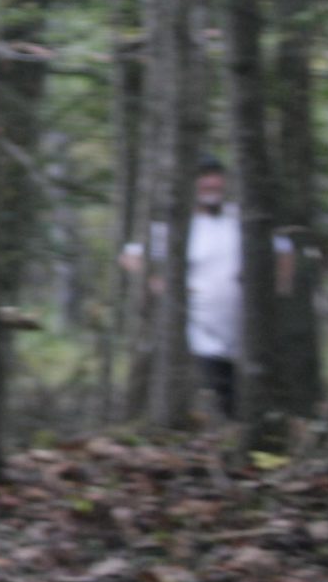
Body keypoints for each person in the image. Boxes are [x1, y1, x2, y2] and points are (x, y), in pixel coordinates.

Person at [121, 157, 295, 418]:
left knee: (254, 394)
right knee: (216, 394)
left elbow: (284, 250)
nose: (211, 182)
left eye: (216, 176)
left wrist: (279, 291)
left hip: (247, 330)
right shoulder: (176, 227)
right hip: (200, 331)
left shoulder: (239, 219)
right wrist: (158, 284)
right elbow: (130, 256)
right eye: (204, 176)